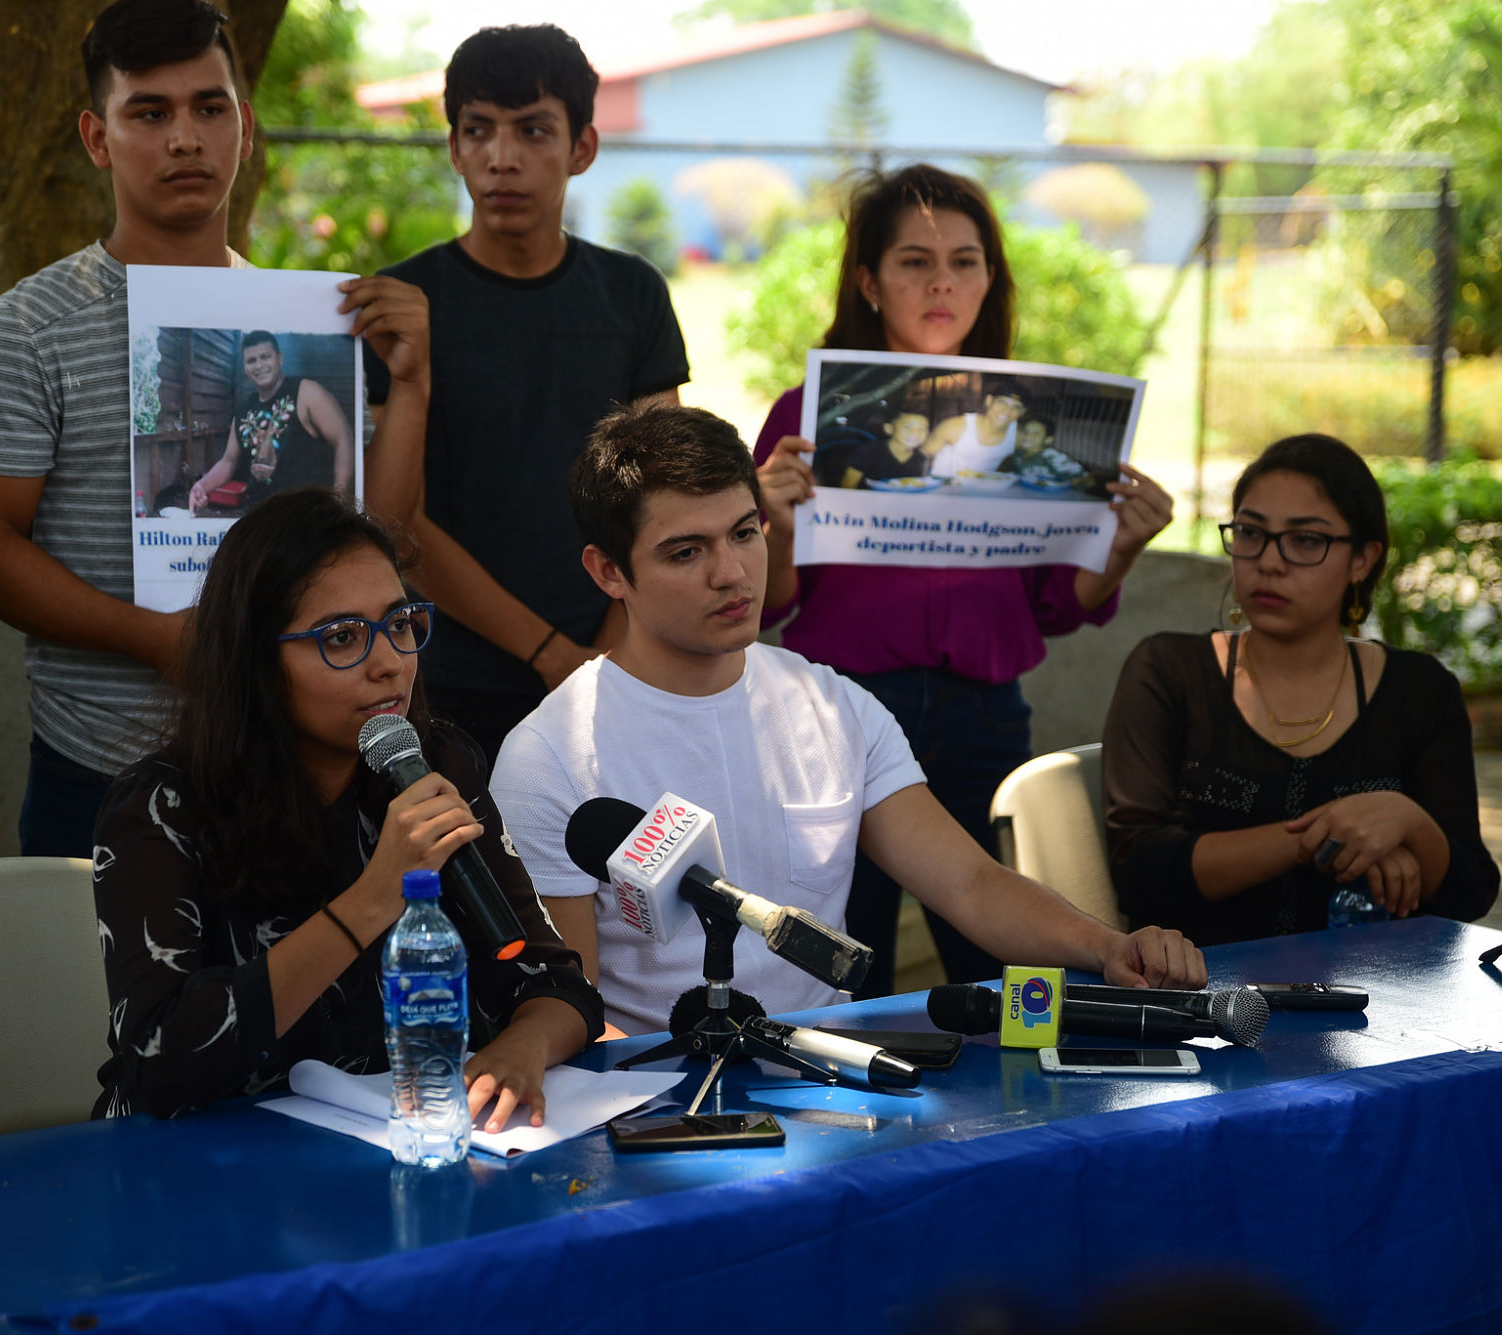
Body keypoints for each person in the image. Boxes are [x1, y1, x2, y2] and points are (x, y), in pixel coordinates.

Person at [491, 404, 1204, 1035]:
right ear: (607, 571)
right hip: (654, 1105)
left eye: (744, 533)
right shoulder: (549, 755)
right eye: (686, 551)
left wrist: (1108, 946)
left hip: (827, 1081)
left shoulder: (836, 707)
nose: (732, 573)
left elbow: (971, 885)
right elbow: (570, 1004)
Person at [0, 0, 428, 856]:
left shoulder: (306, 315)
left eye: (210, 108)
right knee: (91, 997)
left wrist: (414, 384)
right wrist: (162, 640)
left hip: (297, 761)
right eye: (149, 112)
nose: (185, 138)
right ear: (98, 138)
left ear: (246, 129)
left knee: (302, 991)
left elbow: (381, 538)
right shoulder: (27, 326)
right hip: (102, 769)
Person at [754, 165, 1176, 993]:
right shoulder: (805, 417)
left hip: (986, 719)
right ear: (869, 282)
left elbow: (1057, 607)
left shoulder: (1030, 421)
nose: (943, 279)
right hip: (840, 715)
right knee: (846, 964)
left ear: (992, 279)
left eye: (966, 259)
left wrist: (1119, 546)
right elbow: (771, 604)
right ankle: (854, 1118)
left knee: (1010, 971)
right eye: (914, 260)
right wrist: (771, 523)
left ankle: (1023, 1121)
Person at [92, 488, 602, 1127]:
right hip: (199, 1170)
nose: (389, 664)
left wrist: (520, 1048)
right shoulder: (163, 807)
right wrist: (373, 899)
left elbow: (555, 982)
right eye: (341, 638)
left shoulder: (436, 764)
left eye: (398, 624)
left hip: (385, 1147)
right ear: (255, 660)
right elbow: (158, 1065)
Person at [365, 23, 690, 761]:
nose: (501, 158)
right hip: (444, 674)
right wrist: (549, 653)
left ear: (583, 147)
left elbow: (661, 497)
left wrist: (606, 655)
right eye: (477, 130)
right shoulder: (406, 303)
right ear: (453, 148)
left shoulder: (632, 292)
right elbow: (393, 520)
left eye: (533, 130)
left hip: (616, 667)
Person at [1102, 434, 1500, 944]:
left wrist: (1409, 823)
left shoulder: (1420, 690)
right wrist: (1331, 836)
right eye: (1250, 533)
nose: (1269, 561)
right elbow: (1141, 874)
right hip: (1201, 1000)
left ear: (1363, 559)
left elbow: (1471, 896)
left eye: (1306, 540)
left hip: (1380, 1003)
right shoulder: (1168, 670)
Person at [187, 330, 352, 513]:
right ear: (245, 367)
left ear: (279, 359)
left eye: (265, 357)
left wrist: (339, 500)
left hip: (308, 515)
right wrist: (202, 486)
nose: (259, 365)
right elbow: (228, 462)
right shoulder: (243, 411)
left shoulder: (306, 393)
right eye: (251, 361)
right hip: (260, 515)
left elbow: (343, 440)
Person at [925, 385, 1025, 477]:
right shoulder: (954, 426)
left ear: (1022, 412)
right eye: (1001, 402)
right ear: (989, 401)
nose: (1006, 410)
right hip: (945, 486)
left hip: (982, 489)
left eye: (1016, 407)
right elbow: (924, 455)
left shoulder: (1019, 436)